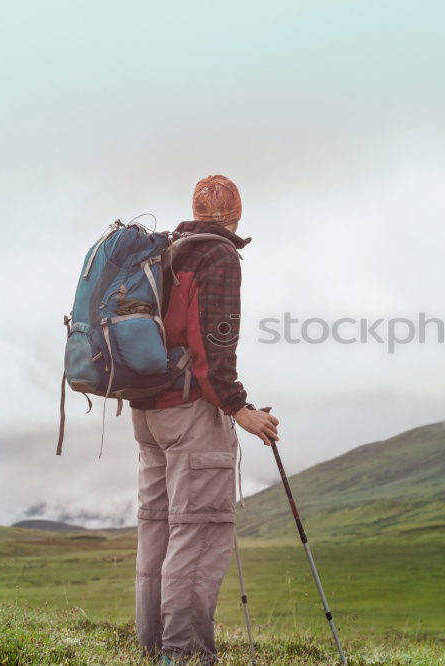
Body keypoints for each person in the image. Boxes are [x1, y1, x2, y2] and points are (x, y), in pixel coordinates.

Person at [129, 174, 279, 665]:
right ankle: (185, 655)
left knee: (159, 528)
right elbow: (213, 347)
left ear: (193, 209)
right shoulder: (217, 256)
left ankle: (154, 647)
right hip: (192, 414)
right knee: (199, 530)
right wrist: (240, 409)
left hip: (149, 412)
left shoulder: (168, 249)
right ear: (236, 215)